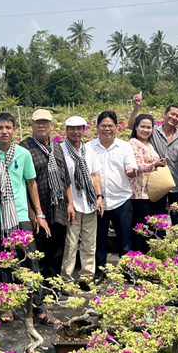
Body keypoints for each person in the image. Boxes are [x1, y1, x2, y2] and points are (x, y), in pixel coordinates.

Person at [0, 112, 60, 326]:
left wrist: (39, 214)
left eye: (8, 127)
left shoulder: (23, 154)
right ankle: (8, 306)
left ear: (14, 130)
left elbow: (31, 184)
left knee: (30, 262)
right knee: (3, 263)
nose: (4, 131)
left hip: (21, 216)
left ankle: (38, 307)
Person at [19, 109, 74, 282]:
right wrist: (32, 211)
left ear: (51, 126)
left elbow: (65, 178)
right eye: (37, 122)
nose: (41, 126)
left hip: (58, 207)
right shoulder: (24, 148)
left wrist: (70, 204)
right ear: (32, 125)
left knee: (57, 249)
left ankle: (54, 285)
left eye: (45, 122)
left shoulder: (57, 147)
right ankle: (40, 290)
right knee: (39, 250)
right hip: (39, 208)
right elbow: (22, 183)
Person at [89, 111, 138, 281]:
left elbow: (130, 167)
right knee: (99, 238)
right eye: (103, 125)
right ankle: (99, 271)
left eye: (110, 126)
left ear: (116, 128)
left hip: (121, 200)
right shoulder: (89, 147)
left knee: (125, 237)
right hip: (97, 201)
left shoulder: (125, 147)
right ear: (97, 127)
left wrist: (132, 171)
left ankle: (127, 270)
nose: (107, 129)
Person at [128, 93, 178, 224]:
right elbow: (133, 125)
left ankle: (177, 243)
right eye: (172, 114)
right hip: (157, 184)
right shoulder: (152, 131)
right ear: (165, 114)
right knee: (158, 219)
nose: (174, 117)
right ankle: (159, 244)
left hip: (177, 184)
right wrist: (137, 107)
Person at [60, 116, 104, 290]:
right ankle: (67, 280)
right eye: (72, 128)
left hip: (89, 202)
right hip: (72, 205)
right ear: (66, 130)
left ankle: (86, 276)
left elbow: (94, 175)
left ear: (84, 130)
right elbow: (63, 180)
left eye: (79, 128)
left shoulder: (88, 149)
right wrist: (69, 204)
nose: (76, 132)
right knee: (70, 244)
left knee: (89, 241)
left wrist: (99, 196)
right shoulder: (61, 150)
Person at [128, 114, 168, 254]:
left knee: (150, 227)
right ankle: (139, 257)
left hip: (150, 192)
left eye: (149, 127)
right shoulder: (134, 143)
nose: (145, 130)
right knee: (141, 228)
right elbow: (137, 166)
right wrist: (155, 164)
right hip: (139, 193)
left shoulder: (149, 143)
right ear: (136, 127)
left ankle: (148, 257)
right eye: (142, 126)